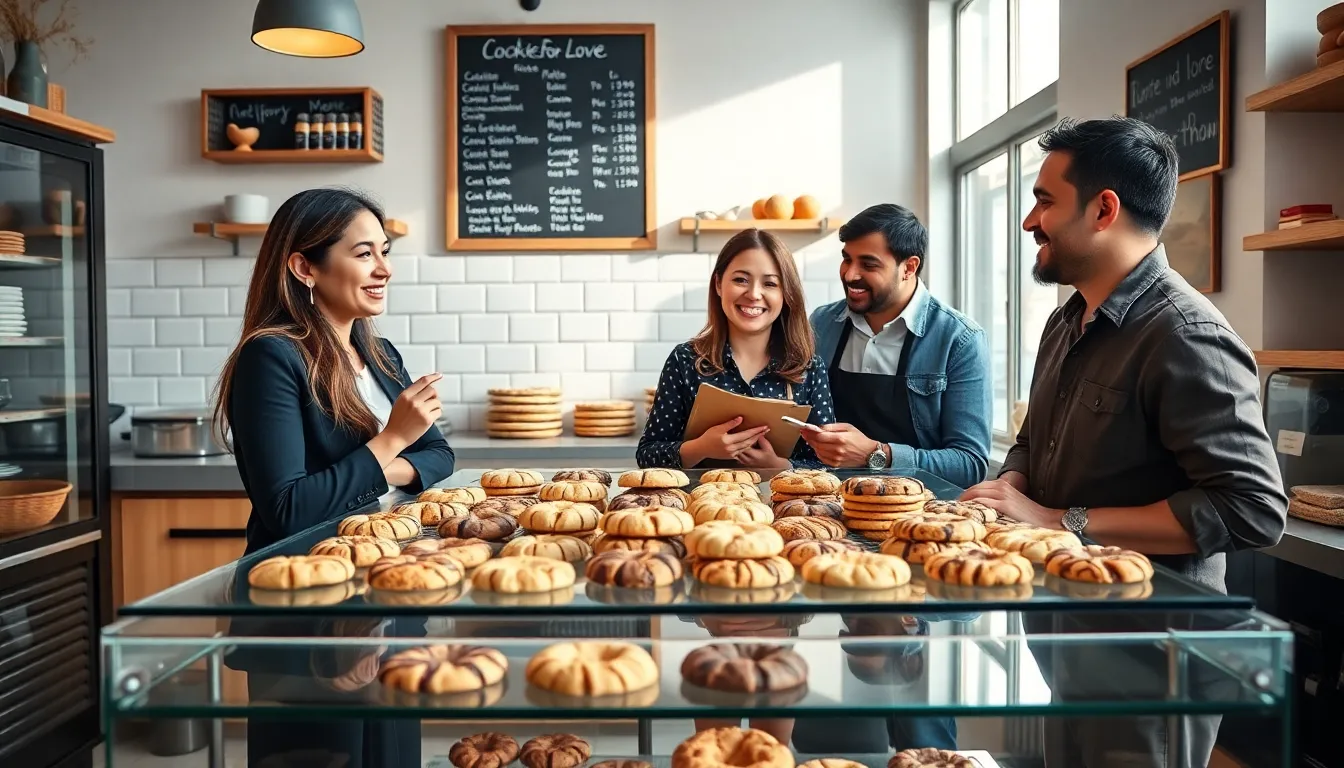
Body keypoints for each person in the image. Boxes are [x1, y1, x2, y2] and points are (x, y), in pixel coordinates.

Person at [961, 117, 1287, 767]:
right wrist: (1008, 489)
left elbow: (1252, 508)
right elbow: (1034, 439)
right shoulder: (1065, 320)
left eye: (1045, 200)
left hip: (1151, 665)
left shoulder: (1186, 332)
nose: (1030, 221)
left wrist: (1059, 521)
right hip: (1063, 640)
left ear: (1103, 209)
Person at [213, 187, 454, 768]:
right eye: (364, 253)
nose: (384, 268)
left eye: (385, 251)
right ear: (304, 267)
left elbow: (441, 457)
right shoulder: (271, 356)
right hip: (309, 613)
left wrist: (384, 463)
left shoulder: (381, 353)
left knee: (392, 757)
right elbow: (291, 509)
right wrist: (393, 443)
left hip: (389, 591)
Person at [801, 204, 991, 488]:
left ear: (909, 267)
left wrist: (876, 454)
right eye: (846, 259)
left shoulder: (959, 339)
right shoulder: (822, 323)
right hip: (828, 503)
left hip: (921, 513)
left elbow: (969, 464)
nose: (850, 274)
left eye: (868, 264)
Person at [637, 228, 835, 471]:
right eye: (740, 279)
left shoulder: (809, 368)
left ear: (786, 294)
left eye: (770, 283)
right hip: (702, 505)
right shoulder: (685, 360)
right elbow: (647, 454)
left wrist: (781, 466)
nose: (753, 294)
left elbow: (829, 462)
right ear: (719, 284)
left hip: (783, 506)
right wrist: (701, 448)